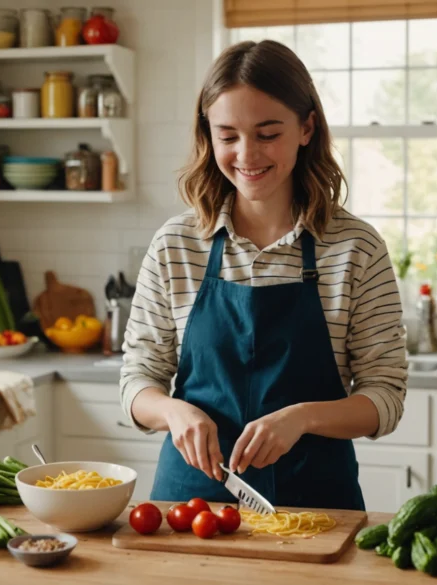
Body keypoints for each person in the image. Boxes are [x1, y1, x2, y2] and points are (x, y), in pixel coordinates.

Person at [119, 40, 408, 511]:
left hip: (317, 507)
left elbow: (385, 396)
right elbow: (137, 380)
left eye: (267, 133)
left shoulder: (356, 248)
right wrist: (173, 411)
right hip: (191, 508)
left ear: (306, 128)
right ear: (207, 135)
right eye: (228, 135)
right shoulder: (176, 245)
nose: (246, 154)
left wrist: (302, 418)